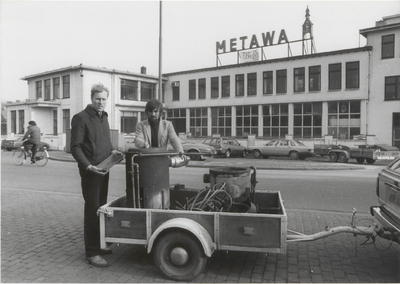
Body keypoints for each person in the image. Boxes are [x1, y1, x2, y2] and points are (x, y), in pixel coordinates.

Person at [70, 83, 123, 268]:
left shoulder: (104, 118)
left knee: (100, 209)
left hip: (104, 170)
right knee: (92, 211)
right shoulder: (80, 118)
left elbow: (105, 144)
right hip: (91, 173)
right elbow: (75, 147)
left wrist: (114, 152)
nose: (101, 102)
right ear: (91, 99)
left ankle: (99, 246)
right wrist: (88, 166)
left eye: (104, 99)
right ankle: (92, 253)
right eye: (97, 99)